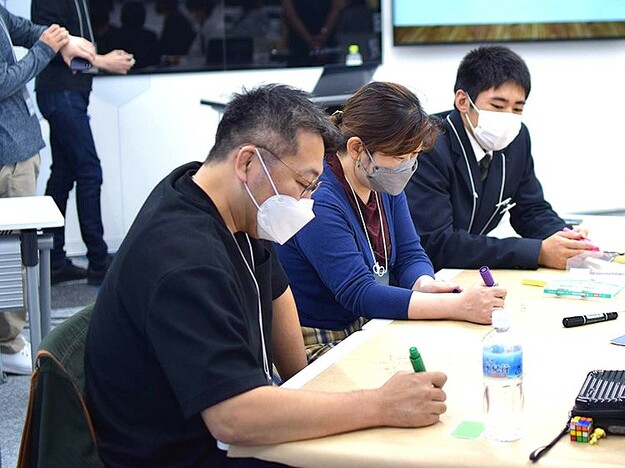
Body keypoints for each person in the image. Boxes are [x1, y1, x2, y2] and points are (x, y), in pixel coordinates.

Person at [85, 84, 447, 467]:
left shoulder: (223, 200)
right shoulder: (185, 261)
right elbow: (234, 419)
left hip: (236, 422)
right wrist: (378, 404)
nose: (308, 201)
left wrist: (307, 384)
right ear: (247, 163)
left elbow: (279, 293)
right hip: (186, 451)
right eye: (304, 183)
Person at [275, 82, 506, 361]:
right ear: (358, 147)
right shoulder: (320, 198)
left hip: (367, 323)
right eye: (399, 156)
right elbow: (360, 293)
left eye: (414, 156)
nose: (407, 165)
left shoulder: (381, 181)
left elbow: (410, 254)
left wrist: (423, 283)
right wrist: (457, 305)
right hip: (319, 337)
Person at [405, 45, 594, 271]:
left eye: (517, 109)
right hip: (423, 277)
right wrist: (538, 252)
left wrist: (565, 238)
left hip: (467, 272)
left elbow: (530, 209)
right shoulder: (428, 145)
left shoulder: (517, 137)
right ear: (462, 101)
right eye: (497, 106)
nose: (508, 118)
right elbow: (437, 242)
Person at [0, 5, 93, 375]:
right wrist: (45, 49)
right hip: (9, 153)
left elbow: (24, 28)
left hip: (16, 145)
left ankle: (9, 340)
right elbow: (3, 81)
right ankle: (9, 343)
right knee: (12, 256)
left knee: (12, 254)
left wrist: (63, 41)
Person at [32, 0, 136, 285]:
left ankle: (54, 262)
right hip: (61, 93)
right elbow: (50, 46)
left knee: (63, 175)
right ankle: (98, 261)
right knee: (89, 171)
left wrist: (100, 60)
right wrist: (103, 61)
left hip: (68, 93)